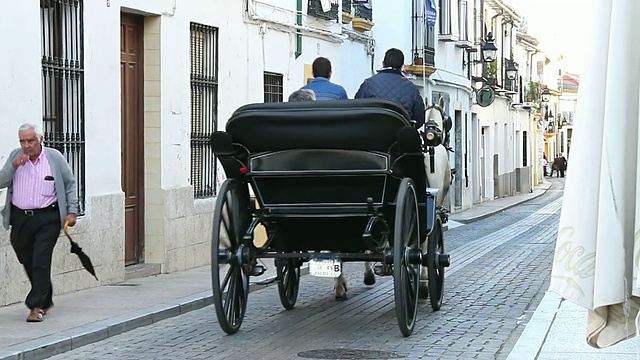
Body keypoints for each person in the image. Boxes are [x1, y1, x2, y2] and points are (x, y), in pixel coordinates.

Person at [0, 123, 78, 322]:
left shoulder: (54, 158)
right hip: (21, 218)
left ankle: (36, 306)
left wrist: (72, 211)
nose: (27, 145)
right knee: (27, 258)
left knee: (41, 259)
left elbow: (69, 183)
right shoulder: (15, 157)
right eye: (23, 141)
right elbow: (1, 181)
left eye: (31, 140)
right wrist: (14, 166)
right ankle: (46, 296)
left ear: (40, 139)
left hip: (48, 218)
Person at [354, 48, 425, 127]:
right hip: (400, 135)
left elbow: (356, 110)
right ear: (402, 66)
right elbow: (419, 119)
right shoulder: (411, 88)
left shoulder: (368, 84)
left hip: (372, 133)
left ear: (383, 64)